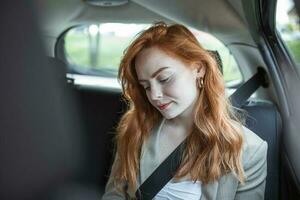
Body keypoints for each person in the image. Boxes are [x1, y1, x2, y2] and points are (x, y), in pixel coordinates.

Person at [101, 22, 267, 200]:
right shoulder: (135, 129)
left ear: (199, 69)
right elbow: (114, 195)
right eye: (146, 86)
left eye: (164, 79)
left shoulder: (249, 150)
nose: (155, 95)